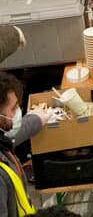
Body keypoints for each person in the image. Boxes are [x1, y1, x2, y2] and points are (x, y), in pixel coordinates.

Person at [0, 70, 58, 215]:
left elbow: (13, 137)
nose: (18, 112)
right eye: (13, 108)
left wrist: (37, 119)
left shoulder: (2, 143)